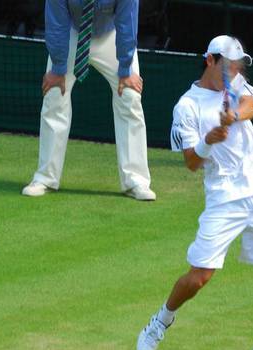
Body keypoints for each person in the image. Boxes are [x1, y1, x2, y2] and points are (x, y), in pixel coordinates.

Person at [135, 35, 253, 350]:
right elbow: (191, 163)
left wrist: (233, 116)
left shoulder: (237, 83)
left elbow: (251, 105)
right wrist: (208, 139)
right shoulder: (187, 106)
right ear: (209, 61)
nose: (235, 69)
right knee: (199, 277)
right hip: (224, 194)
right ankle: (162, 319)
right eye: (229, 64)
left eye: (238, 64)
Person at [22, 0, 156, 201]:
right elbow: (56, 23)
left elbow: (127, 22)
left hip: (112, 35)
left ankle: (135, 181)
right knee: (54, 94)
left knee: (129, 95)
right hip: (71, 32)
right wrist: (58, 68)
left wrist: (126, 67)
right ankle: (45, 178)